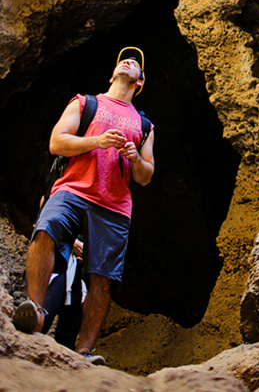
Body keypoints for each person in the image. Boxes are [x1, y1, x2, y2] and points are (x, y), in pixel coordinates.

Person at [12, 48, 155, 365]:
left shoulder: (144, 125)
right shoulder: (86, 103)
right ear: (112, 74)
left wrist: (134, 158)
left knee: (102, 277)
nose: (128, 61)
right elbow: (57, 142)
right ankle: (35, 311)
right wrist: (97, 141)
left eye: (135, 64)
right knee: (46, 230)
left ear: (140, 82)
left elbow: (146, 176)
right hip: (73, 189)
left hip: (114, 205)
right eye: (123, 60)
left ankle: (84, 352)